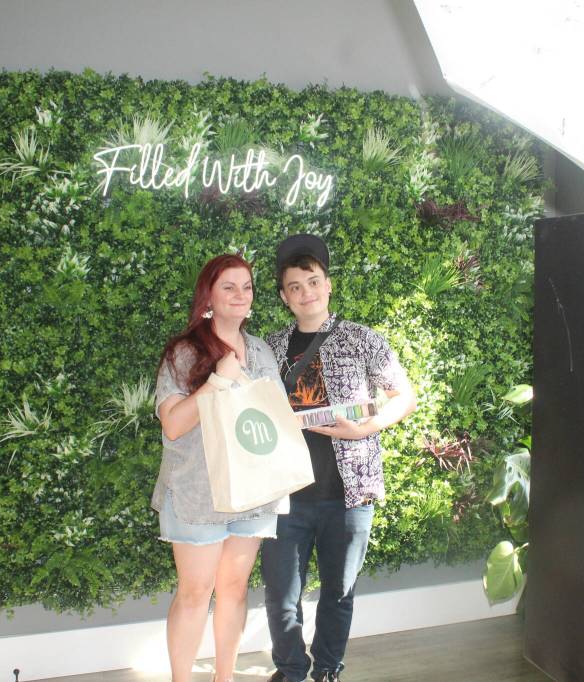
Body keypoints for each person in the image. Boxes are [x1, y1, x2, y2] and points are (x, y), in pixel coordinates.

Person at [263, 234, 417, 682]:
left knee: (339, 591)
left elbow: (404, 396)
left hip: (349, 494)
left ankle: (328, 669)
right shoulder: (269, 348)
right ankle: (290, 670)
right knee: (280, 595)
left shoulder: (362, 338)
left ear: (328, 285)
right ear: (284, 296)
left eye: (313, 281)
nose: (306, 292)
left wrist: (366, 427)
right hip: (285, 495)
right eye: (295, 286)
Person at [153, 253, 287, 682]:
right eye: (228, 286)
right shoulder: (184, 352)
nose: (240, 295)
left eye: (246, 286)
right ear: (207, 296)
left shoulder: (261, 350)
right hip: (198, 492)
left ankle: (224, 677)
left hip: (253, 491)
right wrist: (218, 380)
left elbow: (274, 418)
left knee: (234, 589)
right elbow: (174, 425)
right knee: (195, 593)